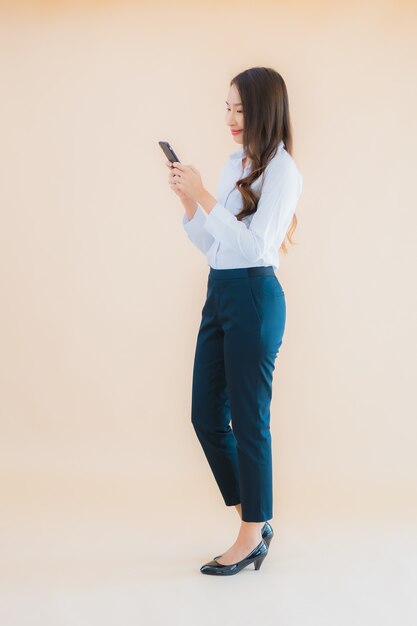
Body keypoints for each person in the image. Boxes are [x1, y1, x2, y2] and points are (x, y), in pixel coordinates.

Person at [166, 67, 303, 576]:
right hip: (220, 292)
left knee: (249, 422)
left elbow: (257, 247)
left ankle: (249, 537)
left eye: (239, 109)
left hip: (254, 294)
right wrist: (190, 204)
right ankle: (256, 519)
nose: (230, 118)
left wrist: (204, 197)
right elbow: (216, 246)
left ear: (265, 110)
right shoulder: (234, 165)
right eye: (226, 108)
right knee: (205, 416)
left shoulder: (284, 172)